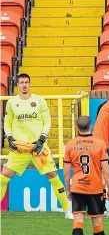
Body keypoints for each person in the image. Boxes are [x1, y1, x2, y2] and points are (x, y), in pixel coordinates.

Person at [1, 73, 73, 219]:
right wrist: (10, 139)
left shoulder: (39, 101)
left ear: (30, 84)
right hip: (20, 148)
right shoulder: (12, 102)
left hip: (38, 147)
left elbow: (47, 121)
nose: (24, 85)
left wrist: (41, 139)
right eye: (21, 83)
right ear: (17, 85)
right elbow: (7, 123)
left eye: (26, 82)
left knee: (52, 175)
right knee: (4, 176)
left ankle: (67, 209)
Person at [64, 115, 109, 235]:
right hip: (95, 188)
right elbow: (107, 170)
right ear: (90, 126)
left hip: (78, 187)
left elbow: (66, 172)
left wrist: (68, 189)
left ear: (76, 127)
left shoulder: (70, 144)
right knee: (97, 223)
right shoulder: (99, 144)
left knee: (78, 222)